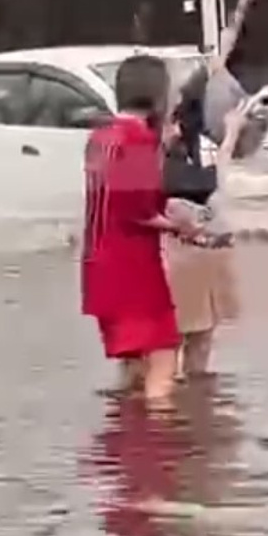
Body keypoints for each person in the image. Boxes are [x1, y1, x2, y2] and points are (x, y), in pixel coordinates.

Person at [82, 54, 199, 404]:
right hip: (131, 269)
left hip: (97, 267)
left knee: (134, 366)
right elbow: (138, 210)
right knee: (163, 357)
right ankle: (155, 443)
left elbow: (115, 195)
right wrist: (183, 227)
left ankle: (124, 442)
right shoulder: (137, 140)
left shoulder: (101, 136)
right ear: (157, 94)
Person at [163, 67, 251, 381]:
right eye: (170, 119)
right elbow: (209, 184)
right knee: (175, 349)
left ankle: (197, 408)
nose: (177, 128)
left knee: (201, 341)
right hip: (181, 256)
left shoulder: (178, 136)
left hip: (201, 255)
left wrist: (212, 67)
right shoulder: (161, 160)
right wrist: (230, 137)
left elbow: (193, 110)